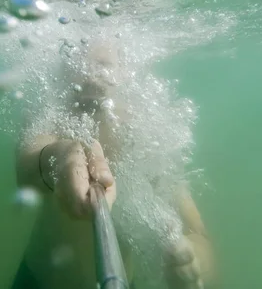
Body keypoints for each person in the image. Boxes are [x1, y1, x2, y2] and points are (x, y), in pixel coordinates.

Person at [13, 39, 215, 289]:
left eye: (102, 64)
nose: (88, 74)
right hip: (37, 281)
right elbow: (27, 166)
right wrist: (61, 159)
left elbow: (196, 232)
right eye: (76, 61)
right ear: (62, 71)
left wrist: (191, 263)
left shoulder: (147, 133)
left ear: (125, 71)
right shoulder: (52, 113)